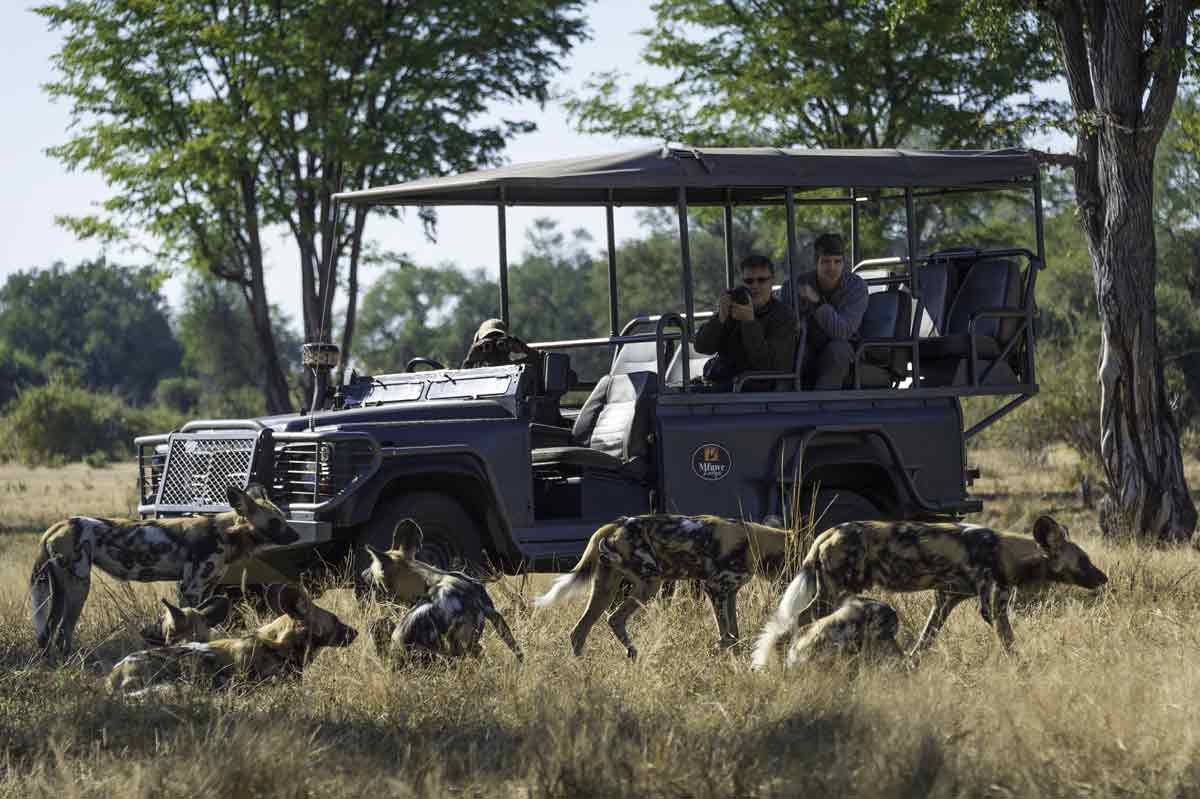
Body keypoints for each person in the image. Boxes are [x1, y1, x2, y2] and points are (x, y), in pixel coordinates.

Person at [694, 254, 797, 390]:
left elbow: (768, 366)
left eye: (761, 280)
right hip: (723, 380)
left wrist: (749, 322)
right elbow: (702, 347)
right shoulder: (734, 307)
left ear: (772, 281)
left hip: (756, 386)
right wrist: (720, 318)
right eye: (749, 281)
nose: (755, 286)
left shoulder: (784, 316)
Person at [779, 233, 868, 390]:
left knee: (837, 351)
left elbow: (843, 332)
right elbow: (784, 326)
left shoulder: (856, 287)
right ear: (816, 262)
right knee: (789, 352)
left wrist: (817, 302)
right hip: (807, 346)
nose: (832, 268)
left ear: (843, 262)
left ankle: (824, 407)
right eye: (826, 262)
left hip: (842, 347)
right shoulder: (795, 286)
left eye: (837, 262)